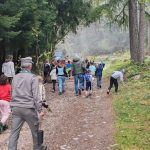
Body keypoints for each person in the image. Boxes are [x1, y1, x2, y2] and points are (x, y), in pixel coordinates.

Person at [8, 57, 45, 150]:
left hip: (16, 108)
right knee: (35, 132)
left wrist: (12, 106)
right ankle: (37, 148)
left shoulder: (15, 77)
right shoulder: (33, 77)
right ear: (30, 66)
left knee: (14, 133)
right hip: (28, 108)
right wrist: (40, 110)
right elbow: (36, 96)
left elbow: (11, 93)